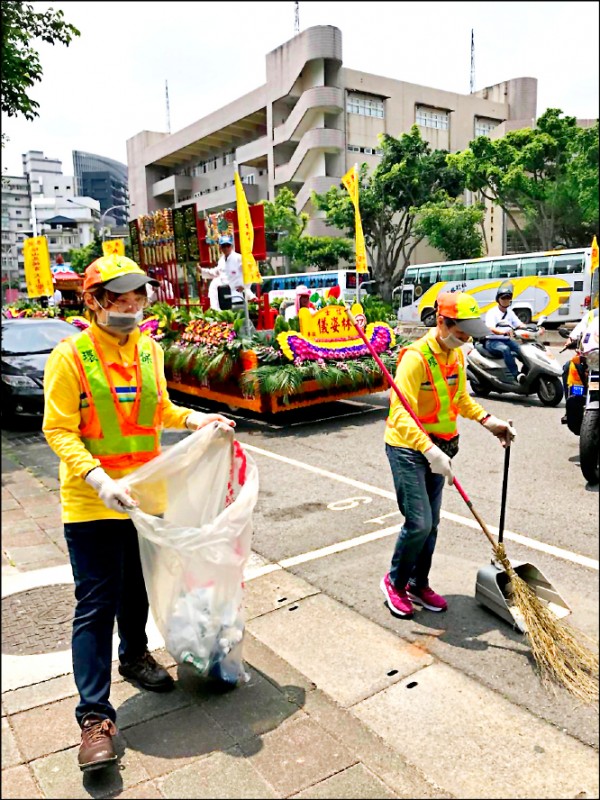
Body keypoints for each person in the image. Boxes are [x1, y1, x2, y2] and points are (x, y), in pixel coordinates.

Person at [42, 254, 235, 772]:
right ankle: (94, 719)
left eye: (137, 297)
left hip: (146, 499)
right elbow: (57, 429)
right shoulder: (71, 357)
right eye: (119, 298)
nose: (130, 306)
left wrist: (196, 418)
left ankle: (134, 655)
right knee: (96, 603)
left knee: (139, 588)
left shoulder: (149, 349)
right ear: (94, 301)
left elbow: (160, 409)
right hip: (93, 502)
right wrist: (97, 478)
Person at [381, 292, 516, 619]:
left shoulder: (456, 357)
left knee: (433, 524)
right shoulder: (415, 358)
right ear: (442, 322)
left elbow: (460, 400)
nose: (466, 338)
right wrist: (428, 451)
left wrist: (489, 422)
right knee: (419, 523)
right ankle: (395, 582)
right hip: (408, 448)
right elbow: (400, 414)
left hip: (439, 447)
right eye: (462, 331)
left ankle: (418, 583)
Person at [483, 282, 527, 383]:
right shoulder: (492, 312)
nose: (506, 300)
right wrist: (502, 333)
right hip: (492, 341)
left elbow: (519, 324)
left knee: (521, 349)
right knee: (505, 349)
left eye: (508, 298)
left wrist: (532, 329)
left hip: (506, 340)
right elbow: (490, 328)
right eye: (503, 298)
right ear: (498, 299)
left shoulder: (510, 312)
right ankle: (516, 375)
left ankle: (527, 371)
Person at [561, 307, 599, 423]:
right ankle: (571, 409)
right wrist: (571, 339)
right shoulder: (593, 314)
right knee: (569, 366)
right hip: (593, 357)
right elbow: (580, 329)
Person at [201, 234, 256, 310]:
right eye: (224, 246)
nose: (226, 248)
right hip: (224, 297)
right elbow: (215, 272)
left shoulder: (239, 258)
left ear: (232, 246)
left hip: (237, 297)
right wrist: (201, 271)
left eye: (228, 245)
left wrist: (244, 286)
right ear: (220, 248)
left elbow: (251, 271)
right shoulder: (221, 260)